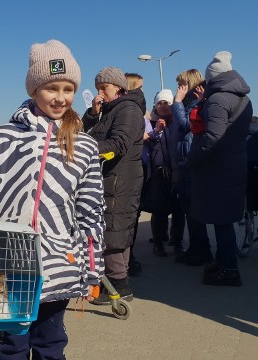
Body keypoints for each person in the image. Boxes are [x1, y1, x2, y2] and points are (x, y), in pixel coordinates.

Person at [0, 40, 105, 359]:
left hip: (58, 257)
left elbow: (91, 212)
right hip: (4, 256)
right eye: (52, 87)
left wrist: (93, 270)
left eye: (68, 88)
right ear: (35, 88)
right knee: (11, 342)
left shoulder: (86, 147)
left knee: (50, 340)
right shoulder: (4, 136)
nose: (61, 97)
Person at [188, 51, 253, 287]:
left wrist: (193, 157)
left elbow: (213, 136)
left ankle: (228, 269)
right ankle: (224, 261)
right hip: (232, 165)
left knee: (221, 221)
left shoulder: (217, 99)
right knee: (224, 219)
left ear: (213, 78)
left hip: (217, 168)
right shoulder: (242, 98)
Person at [82, 66, 145, 303]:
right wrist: (92, 113)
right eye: (98, 88)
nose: (100, 93)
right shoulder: (109, 110)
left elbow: (118, 144)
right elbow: (84, 131)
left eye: (104, 88)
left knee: (114, 229)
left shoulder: (128, 109)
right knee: (113, 228)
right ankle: (116, 280)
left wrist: (83, 150)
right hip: (109, 177)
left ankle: (119, 285)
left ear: (118, 87)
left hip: (120, 179)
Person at [170, 69, 214, 266]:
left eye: (180, 85)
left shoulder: (196, 102)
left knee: (195, 212)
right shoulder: (195, 101)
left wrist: (177, 102)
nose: (178, 89)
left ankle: (202, 250)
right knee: (190, 211)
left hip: (190, 162)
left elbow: (185, 125)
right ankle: (196, 248)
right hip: (184, 163)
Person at [145, 89, 185, 257]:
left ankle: (177, 243)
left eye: (166, 103)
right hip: (159, 173)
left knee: (178, 210)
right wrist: (157, 132)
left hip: (177, 172)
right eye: (159, 103)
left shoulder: (178, 123)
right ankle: (159, 243)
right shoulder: (151, 124)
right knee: (159, 210)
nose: (162, 106)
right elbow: (149, 144)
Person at [124, 72, 150, 276]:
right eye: (140, 87)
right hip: (130, 171)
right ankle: (127, 260)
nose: (143, 91)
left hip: (137, 169)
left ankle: (128, 258)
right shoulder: (131, 111)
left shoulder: (136, 111)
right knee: (129, 217)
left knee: (133, 215)